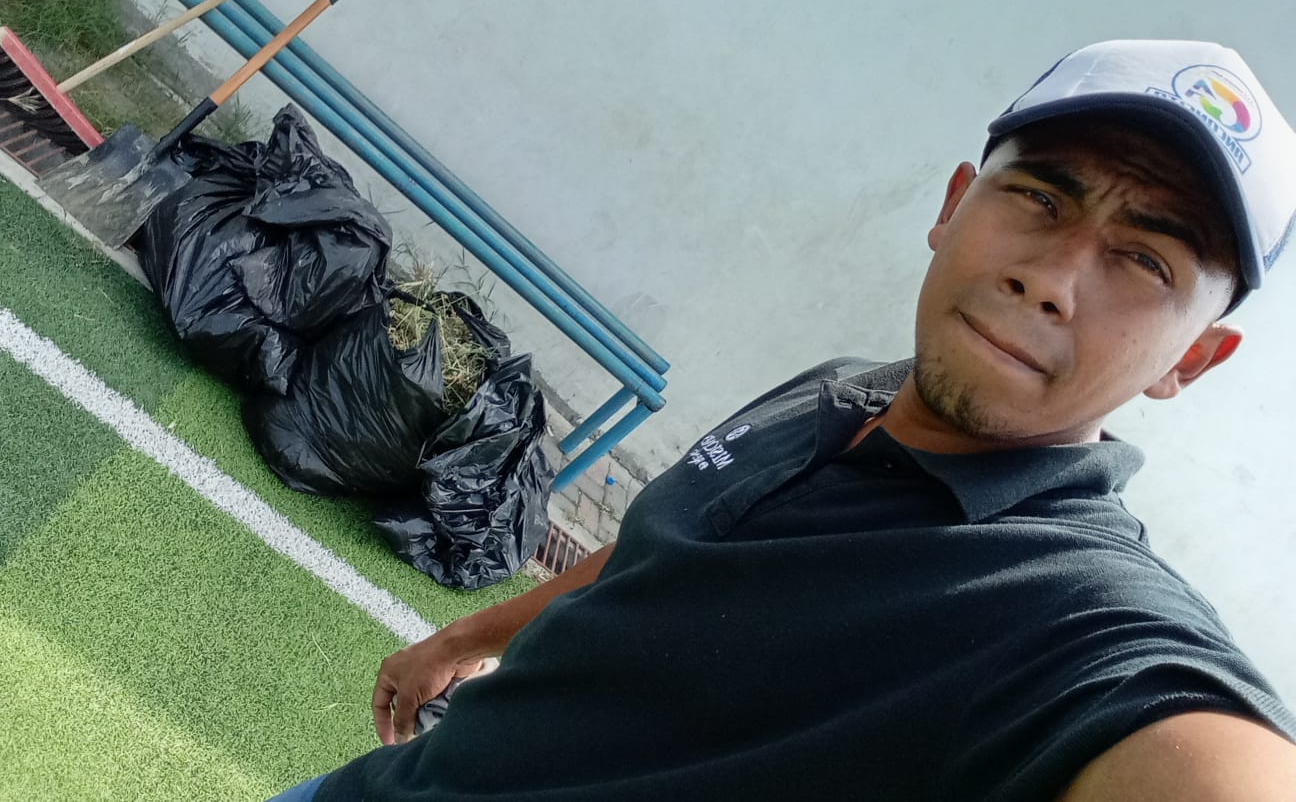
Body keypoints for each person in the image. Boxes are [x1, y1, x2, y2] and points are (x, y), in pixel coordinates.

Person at [272, 40, 1296, 801]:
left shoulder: (1070, 610)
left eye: (1145, 260)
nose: (1053, 279)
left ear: (1193, 360)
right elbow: (673, 547)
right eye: (1040, 198)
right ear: (953, 206)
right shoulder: (842, 389)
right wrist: (471, 632)